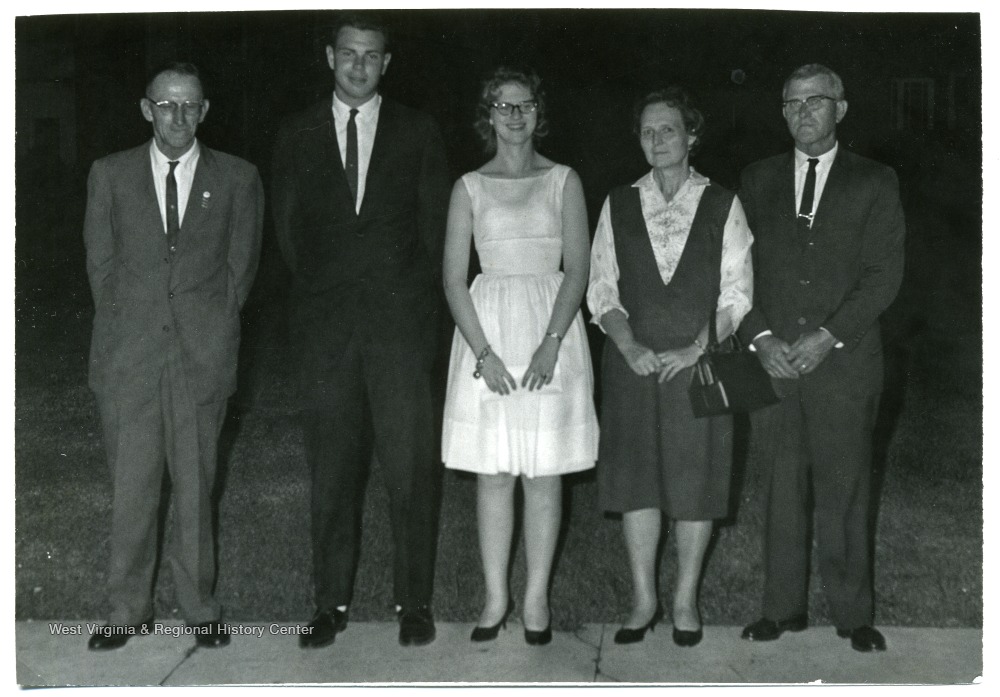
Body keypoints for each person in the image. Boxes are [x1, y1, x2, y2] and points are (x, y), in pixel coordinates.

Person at [272, 13, 451, 649]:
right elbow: (289, 234)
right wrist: (331, 293)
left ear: (386, 63)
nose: (358, 65)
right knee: (332, 472)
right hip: (326, 331)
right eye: (348, 53)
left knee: (410, 469)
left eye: (371, 56)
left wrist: (405, 307)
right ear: (329, 57)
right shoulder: (295, 133)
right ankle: (330, 603)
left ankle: (415, 602)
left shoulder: (419, 131)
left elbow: (435, 237)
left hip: (400, 330)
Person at [83, 62, 264, 650]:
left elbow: (241, 270)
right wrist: (133, 326)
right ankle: (124, 610)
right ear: (146, 108)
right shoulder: (109, 175)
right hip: (129, 358)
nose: (178, 117)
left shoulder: (237, 178)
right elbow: (100, 267)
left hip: (200, 357)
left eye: (189, 106)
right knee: (132, 488)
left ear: (205, 111)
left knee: (194, 486)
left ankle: (200, 608)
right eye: (166, 105)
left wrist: (209, 326)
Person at [738, 64, 905, 653]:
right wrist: (760, 338)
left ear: (841, 107)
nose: (803, 112)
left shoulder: (875, 181)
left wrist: (827, 335)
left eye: (816, 100)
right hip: (775, 364)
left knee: (846, 488)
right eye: (791, 103)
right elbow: (735, 273)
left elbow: (884, 276)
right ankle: (780, 610)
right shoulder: (756, 180)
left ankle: (853, 614)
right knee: (780, 488)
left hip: (845, 362)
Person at [587, 86, 753, 647]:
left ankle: (684, 599)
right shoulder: (617, 202)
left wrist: (698, 347)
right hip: (634, 363)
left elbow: (738, 293)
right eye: (647, 131)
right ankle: (643, 600)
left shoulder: (724, 203)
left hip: (701, 364)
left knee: (696, 482)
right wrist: (629, 345)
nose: (656, 141)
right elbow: (601, 287)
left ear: (691, 136)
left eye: (668, 130)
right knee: (639, 484)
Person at [441, 66, 599, 646]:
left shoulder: (564, 180)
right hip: (488, 335)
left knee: (543, 470)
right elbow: (455, 280)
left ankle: (535, 600)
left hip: (550, 332)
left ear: (538, 112)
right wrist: (483, 353)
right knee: (495, 470)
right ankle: (494, 596)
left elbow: (578, 268)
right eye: (502, 106)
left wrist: (552, 341)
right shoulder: (469, 187)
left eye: (524, 105)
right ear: (488, 116)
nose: (514, 115)